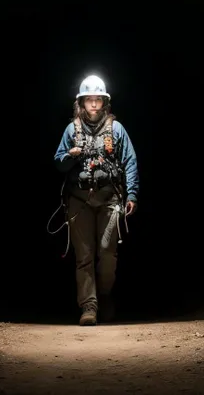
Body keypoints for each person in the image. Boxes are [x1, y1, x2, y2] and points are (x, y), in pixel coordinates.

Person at [54, 74, 139, 326]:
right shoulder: (72, 130)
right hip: (79, 200)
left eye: (97, 100)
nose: (93, 104)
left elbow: (130, 162)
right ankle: (88, 307)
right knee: (85, 256)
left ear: (104, 103)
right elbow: (58, 163)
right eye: (88, 99)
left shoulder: (117, 129)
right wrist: (70, 155)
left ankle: (104, 295)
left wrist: (132, 193)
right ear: (81, 103)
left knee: (107, 253)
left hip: (109, 199)